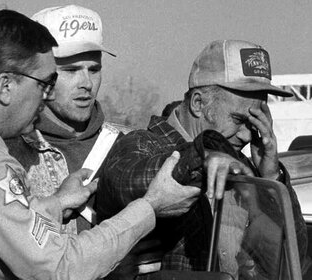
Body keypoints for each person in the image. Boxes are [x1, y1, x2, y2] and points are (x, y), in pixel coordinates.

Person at [0, 9, 202, 280]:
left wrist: (52, 205)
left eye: (94, 69)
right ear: (5, 86)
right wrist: (149, 207)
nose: (46, 97)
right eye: (45, 84)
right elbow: (60, 268)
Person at [97, 39, 307, 278]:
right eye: (239, 120)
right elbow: (126, 181)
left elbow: (292, 260)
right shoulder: (142, 144)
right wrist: (202, 156)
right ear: (198, 103)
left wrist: (271, 178)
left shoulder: (241, 166)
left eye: (254, 124)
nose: (249, 135)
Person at [5, 5, 130, 233]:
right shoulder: (7, 154)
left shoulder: (130, 144)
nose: (87, 83)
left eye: (94, 70)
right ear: (40, 73)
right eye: (71, 70)